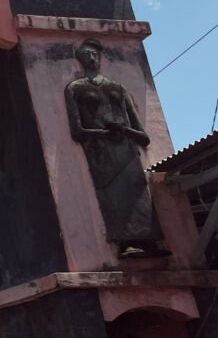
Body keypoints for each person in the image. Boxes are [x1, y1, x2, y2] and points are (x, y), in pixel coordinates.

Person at [65, 38, 167, 258]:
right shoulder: (76, 88)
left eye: (94, 54)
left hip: (128, 152)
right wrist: (105, 133)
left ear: (100, 57)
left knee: (139, 193)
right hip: (101, 155)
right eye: (86, 56)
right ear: (80, 61)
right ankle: (125, 242)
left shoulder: (118, 88)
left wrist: (124, 131)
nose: (92, 59)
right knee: (113, 196)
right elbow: (77, 131)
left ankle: (150, 241)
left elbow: (142, 135)